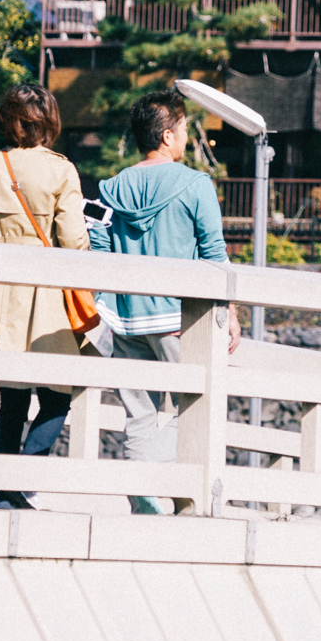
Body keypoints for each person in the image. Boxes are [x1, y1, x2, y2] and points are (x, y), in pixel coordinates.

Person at [0, 84, 91, 509]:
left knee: (11, 399)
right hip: (44, 293)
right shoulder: (60, 170)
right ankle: (21, 479)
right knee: (57, 393)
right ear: (49, 122)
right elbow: (73, 240)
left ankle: (3, 486)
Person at [90, 88, 238, 479]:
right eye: (185, 128)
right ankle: (150, 478)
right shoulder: (196, 185)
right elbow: (214, 255)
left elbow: (99, 250)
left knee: (139, 414)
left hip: (125, 319)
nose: (188, 137)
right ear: (167, 136)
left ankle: (143, 493)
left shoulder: (110, 189)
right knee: (201, 405)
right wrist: (231, 312)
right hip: (178, 319)